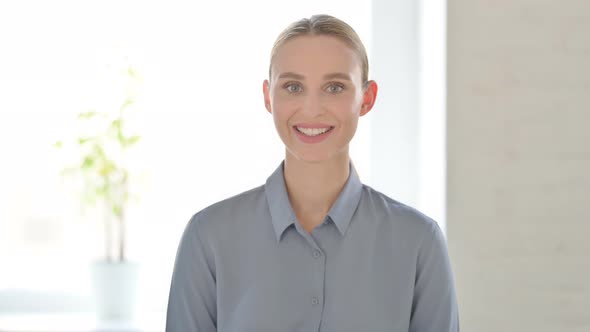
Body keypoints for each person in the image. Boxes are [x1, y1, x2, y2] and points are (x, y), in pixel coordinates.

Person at [166, 14, 460, 332]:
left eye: (334, 87)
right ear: (268, 96)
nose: (312, 108)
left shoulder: (418, 241)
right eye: (293, 87)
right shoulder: (208, 236)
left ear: (367, 98)